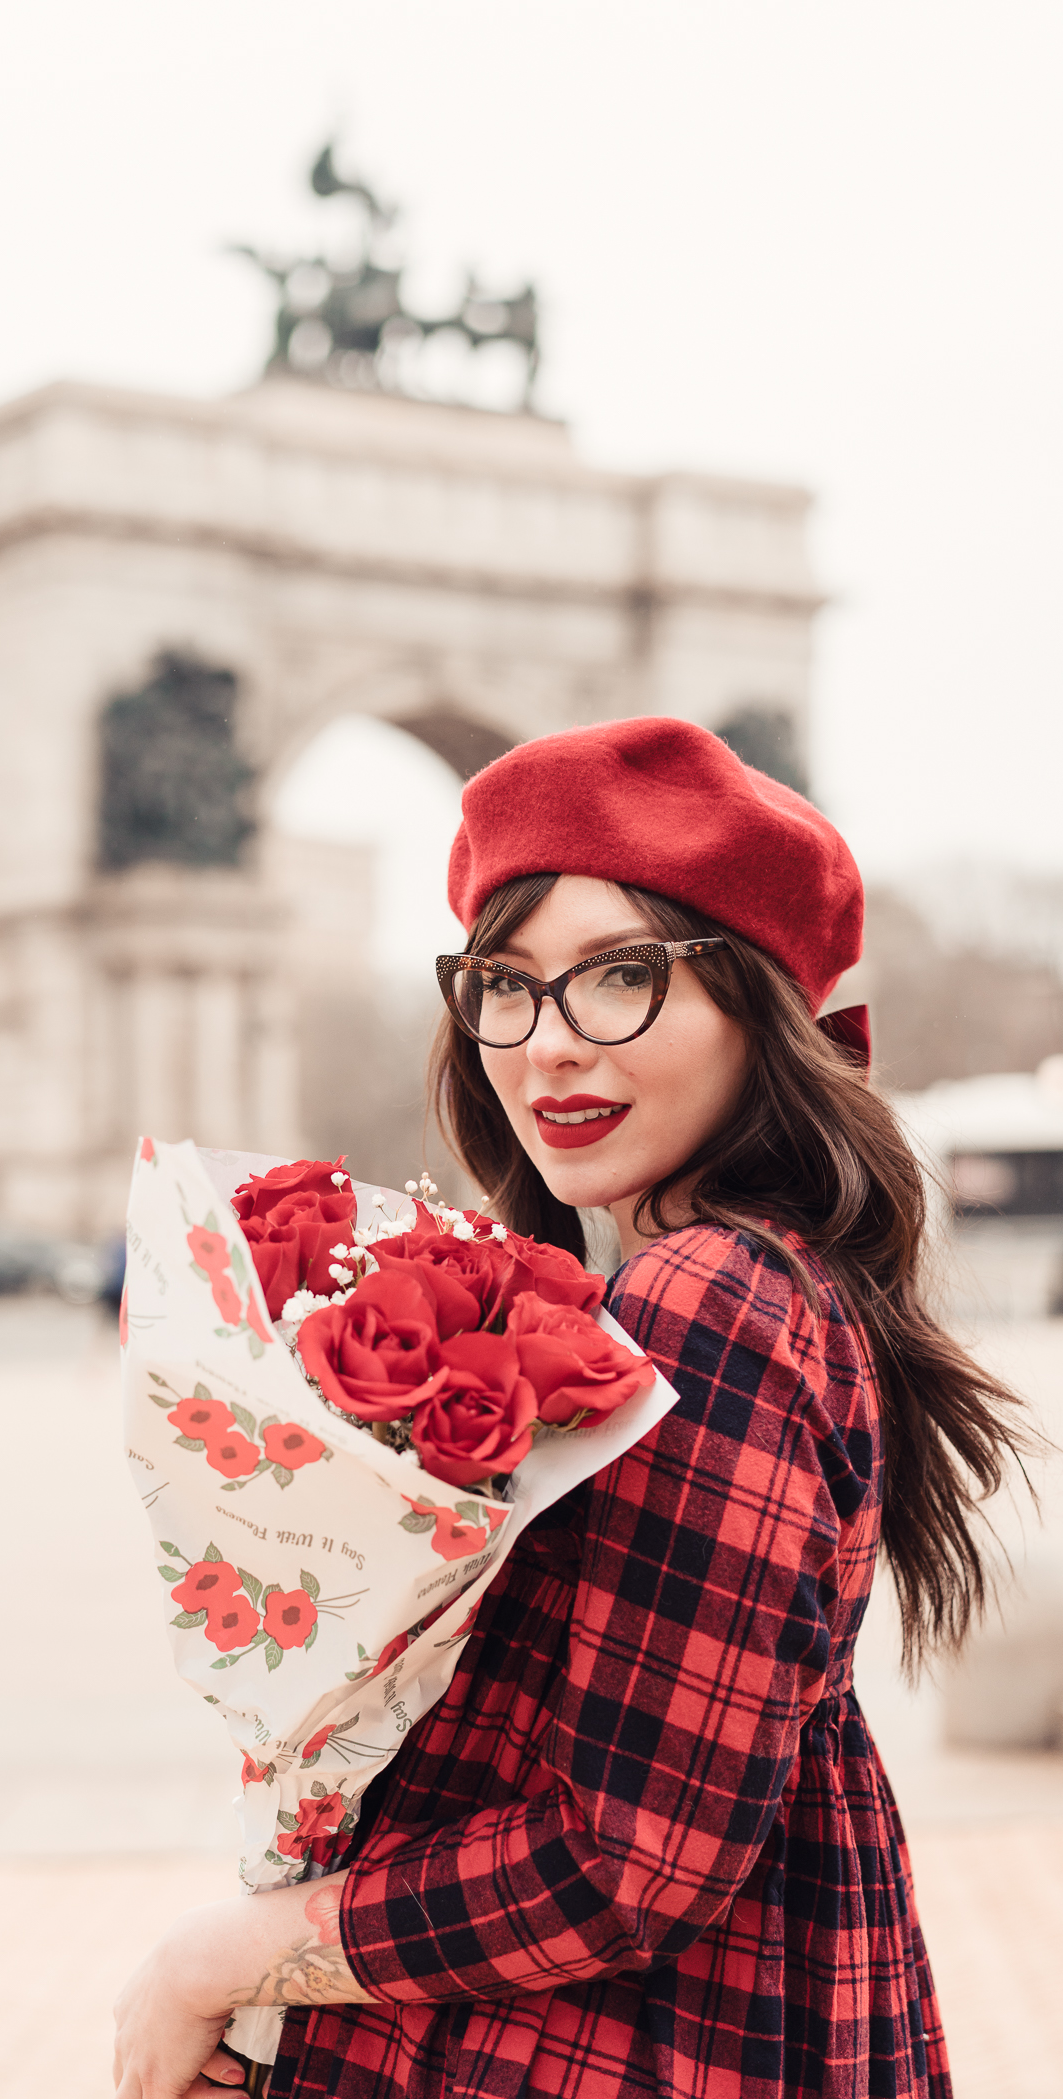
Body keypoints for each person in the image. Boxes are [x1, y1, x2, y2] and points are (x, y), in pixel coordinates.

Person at [113, 718, 1030, 2099]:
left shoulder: (715, 1301)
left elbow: (629, 1859)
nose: (547, 1048)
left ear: (763, 1010)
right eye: (506, 985)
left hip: (632, 2040)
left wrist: (226, 1959)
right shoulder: (739, 1285)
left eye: (620, 979)